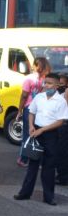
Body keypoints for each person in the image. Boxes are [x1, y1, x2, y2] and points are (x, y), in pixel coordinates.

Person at [14, 73, 68, 206]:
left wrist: (42, 130)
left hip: (50, 134)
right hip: (36, 132)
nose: (46, 85)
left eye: (50, 83)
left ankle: (49, 197)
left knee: (49, 166)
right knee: (33, 164)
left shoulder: (61, 101)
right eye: (45, 82)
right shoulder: (39, 97)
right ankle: (25, 193)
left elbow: (60, 121)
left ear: (57, 85)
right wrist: (31, 126)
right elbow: (32, 112)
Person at [16, 57, 50, 167]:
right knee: (39, 133)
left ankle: (24, 159)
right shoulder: (46, 79)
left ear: (34, 66)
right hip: (42, 109)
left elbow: (24, 95)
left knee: (27, 133)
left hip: (29, 108)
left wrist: (19, 110)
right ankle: (38, 159)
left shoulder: (28, 79)